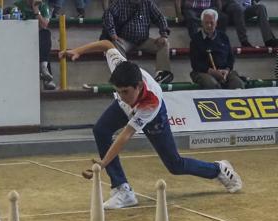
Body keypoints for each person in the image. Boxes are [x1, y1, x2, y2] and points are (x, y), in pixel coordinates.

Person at [58, 39, 242, 209]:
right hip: (127, 108)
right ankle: (122, 190)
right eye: (118, 91)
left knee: (175, 165)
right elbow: (107, 44)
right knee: (101, 130)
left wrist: (103, 163)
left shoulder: (150, 103)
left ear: (138, 86)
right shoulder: (120, 68)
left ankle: (218, 169)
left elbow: (125, 135)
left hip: (154, 116)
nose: (122, 95)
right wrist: (77, 51)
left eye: (125, 91)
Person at [103, 0, 174, 84]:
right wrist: (113, 34)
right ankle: (123, 75)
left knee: (164, 43)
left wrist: (163, 35)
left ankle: (162, 73)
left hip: (143, 40)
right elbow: (108, 14)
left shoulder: (148, 3)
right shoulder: (120, 2)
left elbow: (160, 17)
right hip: (125, 40)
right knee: (116, 45)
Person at [190, 9, 245, 89]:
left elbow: (230, 58)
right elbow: (195, 64)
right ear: (202, 23)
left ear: (216, 23)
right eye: (206, 23)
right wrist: (212, 72)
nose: (209, 25)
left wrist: (226, 70)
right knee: (212, 84)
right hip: (203, 72)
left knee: (238, 84)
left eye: (211, 22)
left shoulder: (223, 37)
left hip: (224, 71)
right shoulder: (195, 39)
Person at [14, 0, 56, 90]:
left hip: (37, 37)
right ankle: (46, 77)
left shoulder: (43, 6)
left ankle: (44, 68)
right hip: (20, 36)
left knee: (45, 35)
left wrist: (36, 10)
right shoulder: (18, 5)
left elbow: (44, 25)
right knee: (42, 44)